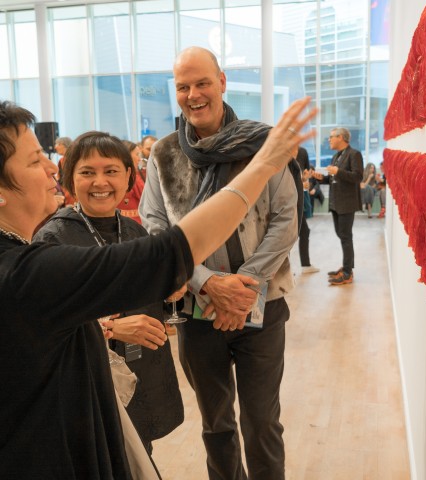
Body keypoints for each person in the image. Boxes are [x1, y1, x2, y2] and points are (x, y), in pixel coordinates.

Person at [0, 97, 316, 478]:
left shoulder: (27, 256)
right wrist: (262, 165)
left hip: (97, 415)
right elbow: (167, 253)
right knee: (218, 423)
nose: (52, 166)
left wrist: (199, 287)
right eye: (35, 161)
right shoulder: (27, 267)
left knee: (260, 421)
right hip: (55, 449)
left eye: (112, 171)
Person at [139, 46, 302, 480]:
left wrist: (243, 287)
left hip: (263, 305)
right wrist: (209, 283)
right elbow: (155, 225)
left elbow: (287, 219)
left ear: (222, 82)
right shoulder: (164, 154)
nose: (193, 94)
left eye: (202, 83)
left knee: (262, 422)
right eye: (182, 87)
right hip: (196, 308)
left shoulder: (263, 144)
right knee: (216, 425)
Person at [34, 131, 185, 457]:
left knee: (140, 454)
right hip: (88, 381)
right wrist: (113, 329)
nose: (100, 182)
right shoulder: (52, 238)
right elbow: (42, 324)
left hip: (141, 369)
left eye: (111, 171)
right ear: (68, 177)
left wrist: (169, 289)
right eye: (87, 172)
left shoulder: (134, 230)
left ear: (129, 176)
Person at [316, 127, 363, 286]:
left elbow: (357, 176)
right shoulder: (336, 156)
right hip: (336, 203)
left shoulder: (354, 154)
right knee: (342, 235)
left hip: (347, 203)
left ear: (341, 137)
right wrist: (320, 178)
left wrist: (338, 171)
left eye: (331, 137)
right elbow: (332, 178)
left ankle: (348, 273)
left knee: (346, 237)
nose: (329, 139)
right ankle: (346, 267)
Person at [296, 147, 319, 274]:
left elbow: (304, 175)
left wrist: (304, 181)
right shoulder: (280, 150)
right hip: (284, 201)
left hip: (296, 200)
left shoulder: (302, 151)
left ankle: (305, 265)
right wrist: (301, 182)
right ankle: (283, 269)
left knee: (304, 231)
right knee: (287, 235)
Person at [117, 140, 146, 224]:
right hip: (132, 224)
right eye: (137, 154)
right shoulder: (132, 178)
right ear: (127, 156)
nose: (139, 159)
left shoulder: (135, 175)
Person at [55, 136, 75, 206]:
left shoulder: (74, 159)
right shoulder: (61, 160)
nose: (55, 147)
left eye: (58, 144)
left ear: (65, 145)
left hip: (73, 195)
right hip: (65, 194)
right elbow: (59, 178)